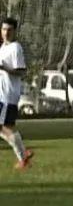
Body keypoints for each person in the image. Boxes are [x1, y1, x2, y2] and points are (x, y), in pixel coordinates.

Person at [0, 18, 32, 171]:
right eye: (4, 29)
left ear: (14, 32)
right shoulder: (2, 48)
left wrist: (5, 68)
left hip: (8, 95)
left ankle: (23, 157)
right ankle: (23, 153)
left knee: (7, 127)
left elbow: (21, 71)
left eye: (9, 30)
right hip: (1, 94)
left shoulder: (15, 48)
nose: (6, 33)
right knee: (4, 127)